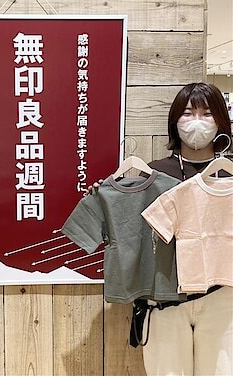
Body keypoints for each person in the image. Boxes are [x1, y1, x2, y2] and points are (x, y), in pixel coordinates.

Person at [88, 82, 232, 375]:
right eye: (188, 113)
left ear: (221, 119)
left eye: (207, 113)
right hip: (163, 300)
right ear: (174, 121)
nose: (197, 122)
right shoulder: (152, 174)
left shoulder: (230, 174)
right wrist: (105, 199)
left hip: (222, 295)